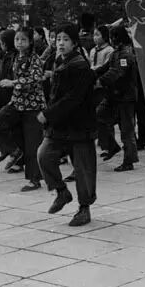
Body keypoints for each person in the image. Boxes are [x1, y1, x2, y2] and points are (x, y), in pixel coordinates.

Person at [37, 23, 97, 226]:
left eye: (65, 39)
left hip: (79, 125)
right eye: (58, 39)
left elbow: (73, 98)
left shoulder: (80, 65)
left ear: (74, 43)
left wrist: (48, 114)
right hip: (60, 125)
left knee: (83, 169)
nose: (61, 43)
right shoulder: (60, 61)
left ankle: (84, 208)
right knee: (44, 155)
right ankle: (61, 191)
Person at [0, 27, 46, 191]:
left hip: (33, 105)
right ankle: (14, 151)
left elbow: (35, 78)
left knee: (32, 144)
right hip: (17, 103)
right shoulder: (16, 57)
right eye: (17, 39)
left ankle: (34, 180)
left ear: (30, 42)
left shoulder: (34, 58)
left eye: (23, 39)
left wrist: (13, 83)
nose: (19, 43)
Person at [95, 25, 139, 171]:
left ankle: (129, 161)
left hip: (125, 97)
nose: (111, 40)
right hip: (113, 95)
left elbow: (117, 72)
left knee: (126, 130)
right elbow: (105, 68)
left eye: (113, 37)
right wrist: (92, 74)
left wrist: (100, 81)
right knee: (98, 116)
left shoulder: (126, 53)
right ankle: (111, 146)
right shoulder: (116, 53)